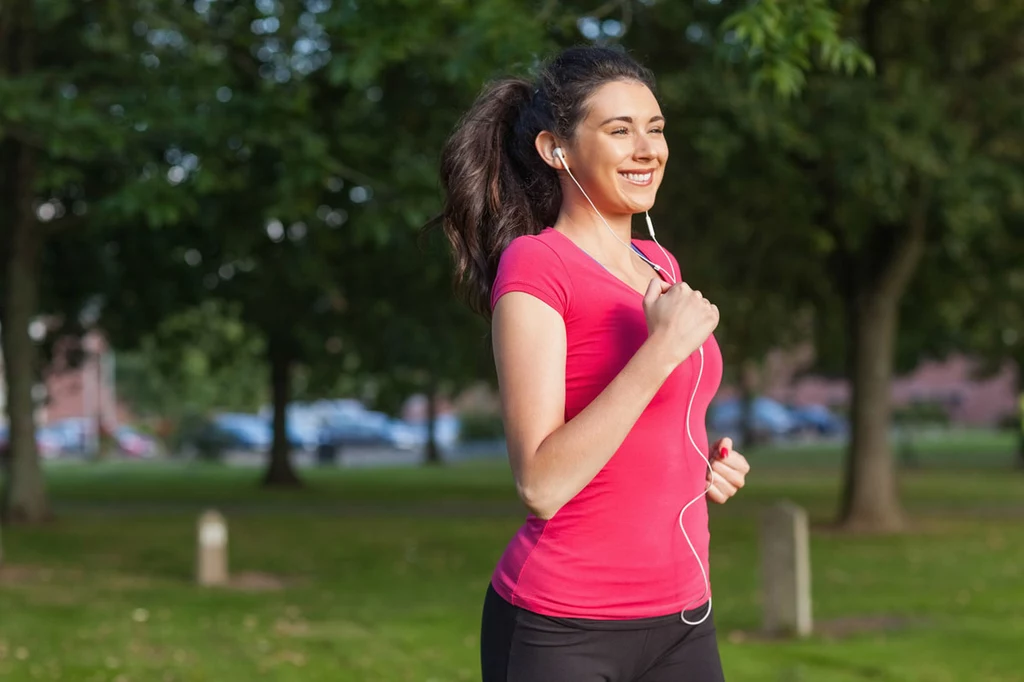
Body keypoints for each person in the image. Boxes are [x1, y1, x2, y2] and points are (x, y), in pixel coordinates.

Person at [434, 45, 751, 682]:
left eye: (656, 129)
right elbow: (541, 484)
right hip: (564, 625)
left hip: (683, 615)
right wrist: (659, 350)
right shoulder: (536, 265)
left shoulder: (659, 267)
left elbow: (654, 423)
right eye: (619, 130)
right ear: (557, 150)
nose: (648, 149)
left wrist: (706, 465)